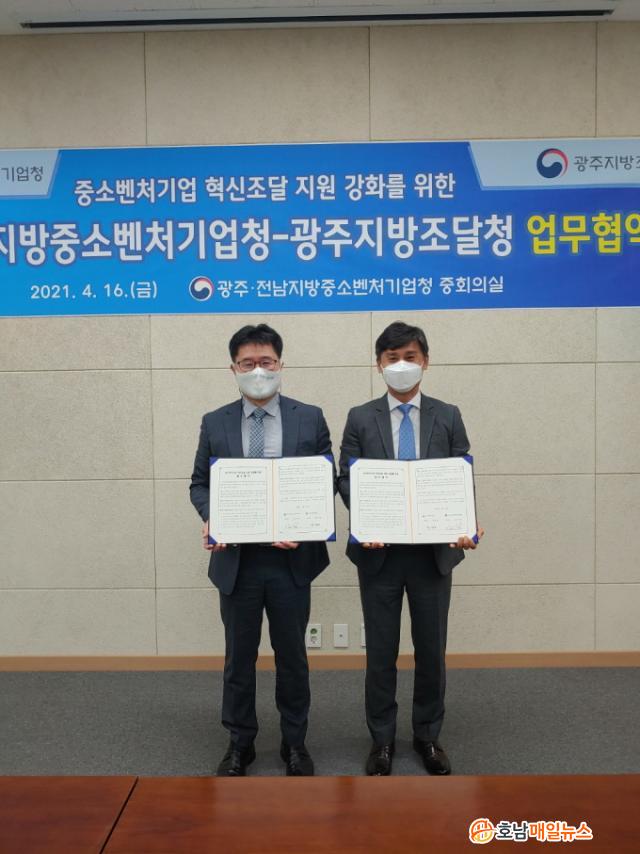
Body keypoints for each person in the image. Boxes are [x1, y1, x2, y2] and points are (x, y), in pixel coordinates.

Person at [338, 321, 484, 777]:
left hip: (432, 555)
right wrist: (366, 519)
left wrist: (464, 524)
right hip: (379, 553)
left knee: (431, 650)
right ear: (379, 365)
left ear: (426, 362)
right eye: (392, 358)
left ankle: (427, 735)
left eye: (410, 357)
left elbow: (460, 475)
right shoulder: (360, 417)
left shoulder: (448, 415)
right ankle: (382, 739)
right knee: (381, 652)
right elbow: (346, 477)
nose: (401, 365)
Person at [190, 323, 332, 777]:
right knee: (239, 658)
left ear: (280, 364)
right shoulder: (215, 421)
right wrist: (212, 516)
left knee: (292, 657)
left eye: (266, 362)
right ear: (233, 368)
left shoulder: (310, 417)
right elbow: (199, 484)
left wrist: (304, 524)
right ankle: (240, 743)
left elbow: (324, 480)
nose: (258, 371)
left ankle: (295, 743)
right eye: (247, 363)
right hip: (238, 562)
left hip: (292, 561)